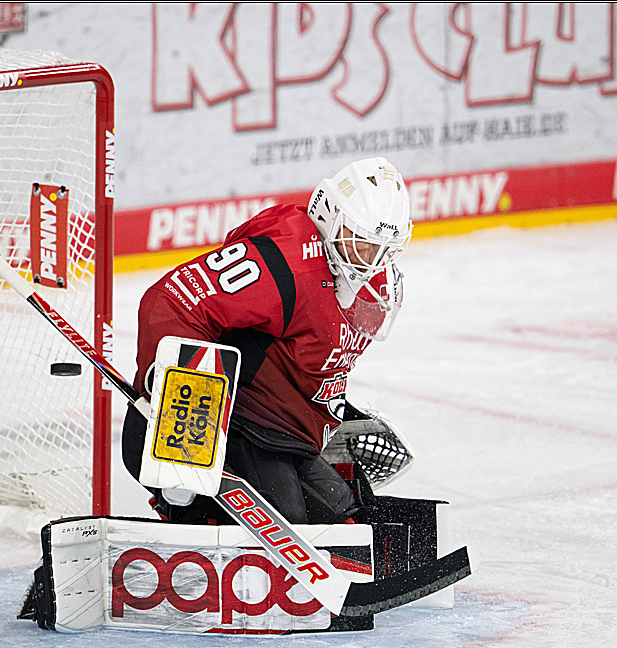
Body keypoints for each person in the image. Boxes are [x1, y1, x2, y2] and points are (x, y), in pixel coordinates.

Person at [122, 156, 412, 525]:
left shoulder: (374, 282)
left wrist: (333, 414)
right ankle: (191, 515)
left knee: (345, 524)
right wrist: (181, 418)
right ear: (330, 217)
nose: (372, 262)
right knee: (288, 530)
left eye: (385, 250)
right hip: (234, 429)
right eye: (362, 244)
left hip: (288, 439)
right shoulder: (285, 263)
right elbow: (172, 300)